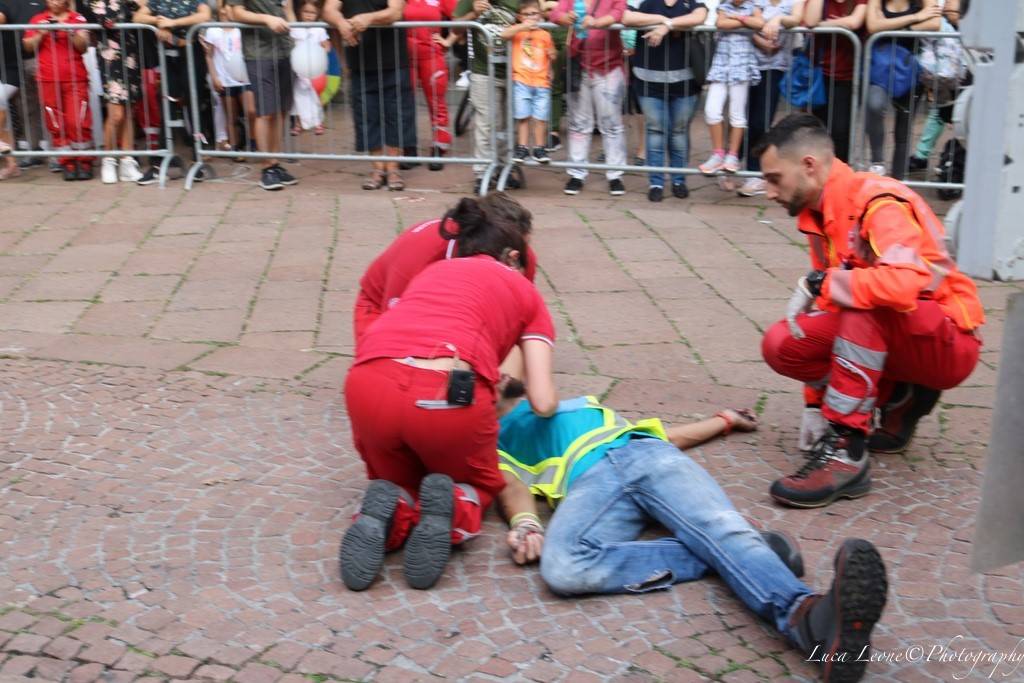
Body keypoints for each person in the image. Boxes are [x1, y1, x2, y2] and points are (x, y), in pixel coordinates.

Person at [495, 383, 890, 683]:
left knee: (717, 526)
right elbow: (510, 487)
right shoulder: (494, 443)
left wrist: (723, 421)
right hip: (593, 487)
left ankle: (809, 619)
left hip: (648, 453)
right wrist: (526, 524)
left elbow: (663, 435)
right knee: (563, 566)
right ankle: (744, 553)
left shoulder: (575, 403)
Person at [756, 113, 984, 508]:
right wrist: (814, 404)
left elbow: (901, 284)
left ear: (809, 165)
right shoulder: (820, 214)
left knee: (863, 305)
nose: (769, 192)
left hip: (949, 340)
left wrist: (820, 283)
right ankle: (899, 397)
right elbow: (833, 304)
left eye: (774, 178)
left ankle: (847, 452)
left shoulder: (877, 203)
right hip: (905, 333)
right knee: (782, 343)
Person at [339, 197, 559, 592]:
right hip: (445, 398)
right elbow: (542, 401)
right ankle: (456, 506)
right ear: (512, 255)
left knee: (400, 482)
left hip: (367, 384)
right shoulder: (525, 292)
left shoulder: (432, 270)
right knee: (480, 480)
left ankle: (390, 514)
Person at [353, 192, 539, 345]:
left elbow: (522, 320)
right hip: (381, 309)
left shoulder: (520, 254)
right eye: (510, 251)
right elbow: (395, 324)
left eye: (523, 247)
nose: (518, 255)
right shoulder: (422, 249)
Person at [323, 0, 417, 191]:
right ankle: (377, 169)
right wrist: (341, 22)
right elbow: (328, 10)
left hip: (393, 59)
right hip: (360, 61)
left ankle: (393, 170)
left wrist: (369, 18)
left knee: (396, 114)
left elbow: (396, 12)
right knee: (366, 115)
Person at [622, 0, 707, 202]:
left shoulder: (689, 2)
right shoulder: (642, 2)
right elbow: (626, 17)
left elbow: (700, 16)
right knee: (655, 131)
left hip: (684, 82)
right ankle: (656, 182)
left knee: (679, 132)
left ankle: (679, 180)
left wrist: (666, 27)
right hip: (648, 80)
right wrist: (663, 20)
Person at [550, 0, 627, 197]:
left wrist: (596, 22)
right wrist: (564, 18)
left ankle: (615, 174)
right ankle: (577, 173)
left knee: (611, 123)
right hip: (579, 67)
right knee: (578, 124)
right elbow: (555, 13)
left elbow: (619, 13)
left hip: (609, 67)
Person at [135, 0, 215, 185]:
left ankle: (198, 160)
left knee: (193, 104)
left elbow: (205, 15)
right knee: (167, 106)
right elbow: (138, 16)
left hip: (191, 53)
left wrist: (173, 23)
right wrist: (158, 22)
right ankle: (159, 164)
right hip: (169, 58)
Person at [863, 0, 940, 179]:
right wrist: (916, 18)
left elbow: (935, 23)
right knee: (874, 105)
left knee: (903, 130)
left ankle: (898, 182)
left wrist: (894, 27)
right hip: (881, 68)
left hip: (910, 69)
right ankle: (877, 163)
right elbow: (873, 26)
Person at [225, 0, 297, 191]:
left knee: (281, 111)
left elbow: (288, 9)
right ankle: (267, 166)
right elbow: (236, 13)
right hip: (259, 53)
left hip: (285, 49)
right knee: (265, 112)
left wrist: (296, 37)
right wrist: (266, 19)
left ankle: (274, 162)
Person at [738, 0, 804, 197]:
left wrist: (778, 19)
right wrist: (760, 40)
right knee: (742, 118)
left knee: (761, 120)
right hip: (747, 63)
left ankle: (753, 172)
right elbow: (741, 17)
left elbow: (796, 19)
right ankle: (733, 160)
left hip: (776, 66)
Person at [22, 0, 93, 181]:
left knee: (78, 121)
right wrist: (41, 33)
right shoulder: (38, 19)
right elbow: (28, 46)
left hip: (75, 78)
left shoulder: (77, 18)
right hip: (47, 79)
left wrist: (68, 30)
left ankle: (84, 161)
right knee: (55, 123)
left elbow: (83, 46)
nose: (54, 2)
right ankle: (67, 162)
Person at [453, 0, 517, 194]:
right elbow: (455, 29)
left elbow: (536, 16)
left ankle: (506, 167)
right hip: (483, 70)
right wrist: (473, 14)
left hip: (516, 69)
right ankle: (482, 172)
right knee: (486, 122)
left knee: (509, 123)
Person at [81, 0, 145, 184]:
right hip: (110, 57)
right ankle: (108, 161)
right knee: (115, 113)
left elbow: (142, 11)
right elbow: (107, 20)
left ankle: (127, 161)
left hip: (130, 55)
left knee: (128, 112)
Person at [697, 0, 763, 176]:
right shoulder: (724, 6)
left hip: (741, 66)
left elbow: (759, 23)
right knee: (711, 110)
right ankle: (718, 153)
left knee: (737, 114)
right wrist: (744, 22)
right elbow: (721, 23)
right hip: (722, 64)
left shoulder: (753, 5)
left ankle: (732, 155)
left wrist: (738, 17)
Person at [804, 0, 866, 164]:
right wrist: (837, 24)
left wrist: (825, 24)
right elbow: (810, 21)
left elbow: (854, 22)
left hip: (848, 76)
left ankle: (840, 173)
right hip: (819, 74)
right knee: (817, 129)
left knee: (841, 130)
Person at [403, 0, 455, 169]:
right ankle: (407, 148)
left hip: (432, 56)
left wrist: (449, 40)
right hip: (403, 56)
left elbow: (462, 15)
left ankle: (440, 146)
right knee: (404, 101)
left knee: (436, 101)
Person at [202, 0, 257, 157]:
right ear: (223, 9)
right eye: (230, 7)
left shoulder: (241, 29)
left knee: (251, 111)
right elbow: (209, 55)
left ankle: (253, 143)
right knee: (230, 116)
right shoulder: (213, 31)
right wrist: (214, 76)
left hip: (243, 78)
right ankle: (234, 147)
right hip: (225, 79)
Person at [503, 0, 555, 165]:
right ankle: (523, 147)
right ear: (520, 16)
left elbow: (552, 55)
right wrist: (522, 26)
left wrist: (553, 54)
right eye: (526, 14)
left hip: (541, 82)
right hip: (521, 81)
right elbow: (503, 34)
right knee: (523, 116)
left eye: (534, 14)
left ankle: (539, 147)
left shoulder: (545, 34)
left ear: (540, 15)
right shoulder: (517, 33)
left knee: (540, 118)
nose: (531, 18)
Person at [288, 0, 328, 135]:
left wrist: (321, 54)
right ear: (300, 12)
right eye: (306, 12)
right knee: (298, 96)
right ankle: (299, 124)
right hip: (299, 69)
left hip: (315, 68)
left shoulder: (319, 29)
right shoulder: (296, 28)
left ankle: (318, 122)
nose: (309, 15)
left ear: (317, 14)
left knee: (315, 95)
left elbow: (326, 45)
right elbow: (292, 44)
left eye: (312, 13)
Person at [0, 0, 23, 180]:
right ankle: (11, 164)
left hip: (10, 71)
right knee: (3, 119)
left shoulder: (3, 5)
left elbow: (1, 18)